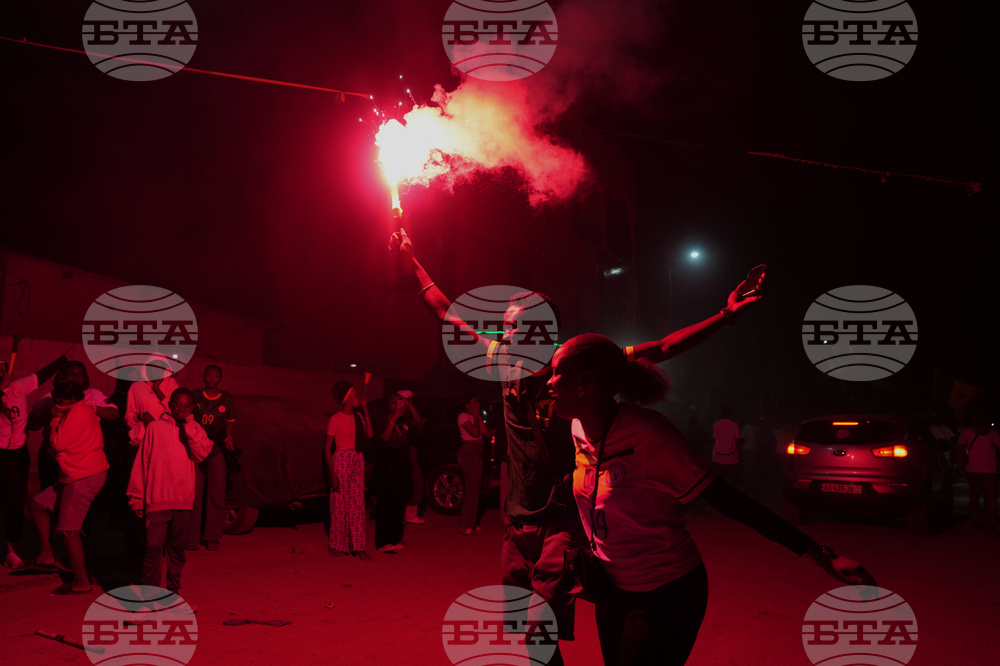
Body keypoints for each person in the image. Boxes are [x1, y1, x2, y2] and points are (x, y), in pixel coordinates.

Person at [389, 226, 762, 664]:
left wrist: (725, 315)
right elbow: (447, 316)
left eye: (512, 328)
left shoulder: (574, 363)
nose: (504, 335)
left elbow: (659, 348)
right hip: (516, 523)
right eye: (503, 328)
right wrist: (410, 260)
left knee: (538, 629)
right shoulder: (501, 361)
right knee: (530, 640)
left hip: (562, 520)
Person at [546, 333, 877, 666]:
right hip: (611, 589)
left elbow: (730, 501)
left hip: (667, 592)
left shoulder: (650, 436)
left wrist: (819, 554)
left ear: (584, 383)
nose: (547, 381)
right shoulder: (578, 428)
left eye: (556, 372)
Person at [127, 388, 213, 595]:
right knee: (153, 549)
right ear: (170, 405)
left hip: (183, 500)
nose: (181, 409)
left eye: (186, 406)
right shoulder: (155, 428)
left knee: (177, 551)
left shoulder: (194, 429)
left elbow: (202, 454)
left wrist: (190, 426)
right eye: (177, 405)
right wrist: (137, 497)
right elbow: (142, 462)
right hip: (157, 499)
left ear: (192, 408)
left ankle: (173, 592)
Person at [28, 381, 108, 594]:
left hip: (82, 476)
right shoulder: (78, 410)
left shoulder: (76, 413)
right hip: (76, 474)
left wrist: (54, 419)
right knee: (37, 505)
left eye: (59, 402)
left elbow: (57, 443)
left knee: (68, 530)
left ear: (68, 400)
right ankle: (46, 554)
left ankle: (82, 581)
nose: (56, 405)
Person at [1, 349, 70, 569]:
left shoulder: (19, 388)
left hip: (18, 452)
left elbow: (41, 375)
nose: (2, 372)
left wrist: (61, 359)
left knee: (16, 499)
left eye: (4, 368)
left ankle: (14, 548)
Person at [28, 360, 119, 491]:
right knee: (48, 492)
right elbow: (32, 425)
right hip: (53, 452)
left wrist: (91, 408)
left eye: (80, 375)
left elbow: (114, 414)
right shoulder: (49, 398)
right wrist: (51, 412)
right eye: (71, 374)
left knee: (73, 495)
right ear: (63, 377)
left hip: (81, 455)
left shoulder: (94, 395)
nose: (76, 377)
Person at [186, 365, 235, 552]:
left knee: (216, 493)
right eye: (208, 375)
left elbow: (230, 423)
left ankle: (211, 537)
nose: (212, 379)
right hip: (197, 448)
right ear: (204, 377)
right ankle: (192, 537)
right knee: (195, 494)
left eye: (216, 376)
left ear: (220, 378)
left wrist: (229, 439)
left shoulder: (227, 398)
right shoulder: (195, 395)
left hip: (217, 450)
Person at [326, 380, 374, 562]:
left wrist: (366, 411)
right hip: (341, 459)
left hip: (356, 459)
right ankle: (337, 545)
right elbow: (326, 447)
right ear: (346, 398)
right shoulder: (335, 419)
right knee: (339, 505)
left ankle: (358, 546)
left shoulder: (359, 417)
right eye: (354, 394)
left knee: (357, 505)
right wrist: (332, 473)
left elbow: (370, 434)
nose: (357, 397)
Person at [373, 393, 415, 553]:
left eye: (399, 402)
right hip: (387, 462)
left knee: (399, 501)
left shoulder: (405, 419)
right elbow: (384, 438)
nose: (397, 405)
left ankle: (395, 538)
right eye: (394, 402)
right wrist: (393, 420)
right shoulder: (383, 419)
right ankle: (382, 542)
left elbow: (417, 422)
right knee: (386, 503)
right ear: (389, 405)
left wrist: (408, 406)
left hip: (401, 462)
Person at [956, 412, 1000, 532]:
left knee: (974, 495)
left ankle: (975, 519)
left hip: (973, 469)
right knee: (990, 497)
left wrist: (959, 466)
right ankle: (990, 522)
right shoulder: (993, 433)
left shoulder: (966, 432)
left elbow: (960, 449)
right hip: (990, 470)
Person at [125, 360, 179, 448]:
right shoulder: (136, 386)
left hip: (165, 440)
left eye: (161, 367)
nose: (157, 370)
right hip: (141, 441)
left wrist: (156, 389)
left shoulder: (171, 384)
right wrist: (140, 416)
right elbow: (129, 419)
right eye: (153, 367)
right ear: (146, 368)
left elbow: (174, 411)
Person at [457, 394, 491, 535]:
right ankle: (466, 524)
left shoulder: (475, 417)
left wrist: (478, 419)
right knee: (471, 488)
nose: (477, 404)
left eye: (477, 402)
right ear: (467, 405)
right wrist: (477, 418)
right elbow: (476, 432)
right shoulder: (463, 416)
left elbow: (486, 433)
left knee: (476, 488)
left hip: (478, 452)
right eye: (473, 402)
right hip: (469, 452)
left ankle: (473, 521)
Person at [396, 390, 427, 525]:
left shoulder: (409, 415)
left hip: (411, 450)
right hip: (402, 451)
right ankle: (403, 515)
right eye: (409, 400)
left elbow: (418, 421)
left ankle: (410, 514)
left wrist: (410, 406)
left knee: (415, 481)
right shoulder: (398, 415)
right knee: (408, 482)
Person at [711, 406, 742, 486]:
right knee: (731, 476)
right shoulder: (735, 425)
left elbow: (715, 439)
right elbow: (738, 441)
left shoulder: (716, 425)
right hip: (731, 455)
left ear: (721, 414)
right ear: (730, 414)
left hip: (718, 454)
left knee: (719, 474)